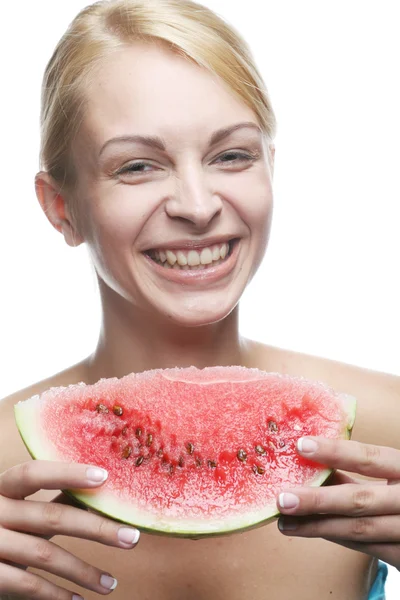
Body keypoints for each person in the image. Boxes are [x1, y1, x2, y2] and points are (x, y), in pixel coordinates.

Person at [0, 0, 398, 598]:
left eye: (231, 155)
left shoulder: (387, 431)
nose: (198, 204)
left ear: (270, 168)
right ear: (62, 207)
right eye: (137, 166)